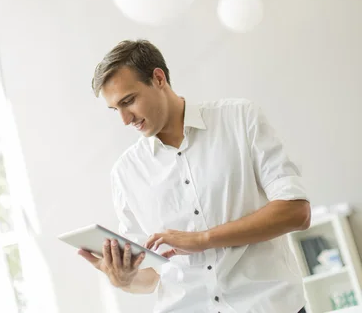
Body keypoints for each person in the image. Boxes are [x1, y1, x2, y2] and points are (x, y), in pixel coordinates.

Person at [79, 39, 310, 313]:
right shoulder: (126, 172)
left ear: (158, 78)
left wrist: (202, 239)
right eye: (114, 109)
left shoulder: (240, 119)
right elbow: (151, 277)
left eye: (128, 101)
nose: (125, 119)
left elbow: (296, 212)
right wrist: (125, 278)